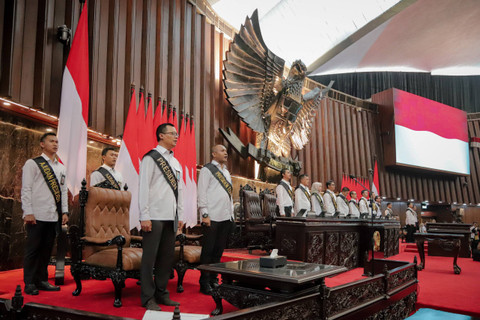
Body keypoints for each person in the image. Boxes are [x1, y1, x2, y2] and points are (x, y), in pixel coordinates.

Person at [139, 123, 184, 311]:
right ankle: (148, 297)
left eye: (176, 134)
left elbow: (179, 191)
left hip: (170, 216)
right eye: (172, 133)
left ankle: (162, 293)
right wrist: (144, 215)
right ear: (161, 135)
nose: (176, 137)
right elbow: (143, 187)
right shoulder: (151, 158)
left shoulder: (175, 162)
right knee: (149, 259)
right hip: (154, 216)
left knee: (166, 259)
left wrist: (179, 215)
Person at [21, 132, 69, 295]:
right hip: (36, 214)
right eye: (51, 141)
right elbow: (26, 189)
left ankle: (42, 280)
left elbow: (62, 191)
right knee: (33, 250)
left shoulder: (61, 167)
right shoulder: (32, 164)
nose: (55, 144)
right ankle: (29, 282)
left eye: (57, 141)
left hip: (53, 215)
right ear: (42, 144)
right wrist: (28, 212)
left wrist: (65, 211)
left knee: (47, 250)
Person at [198, 145, 234, 295]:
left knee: (218, 251)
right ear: (213, 153)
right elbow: (201, 192)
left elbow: (229, 196)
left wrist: (231, 214)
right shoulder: (207, 170)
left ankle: (214, 279)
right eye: (222, 150)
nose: (225, 153)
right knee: (208, 251)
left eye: (226, 151)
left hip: (225, 216)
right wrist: (204, 213)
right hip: (211, 216)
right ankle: (204, 282)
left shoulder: (226, 171)